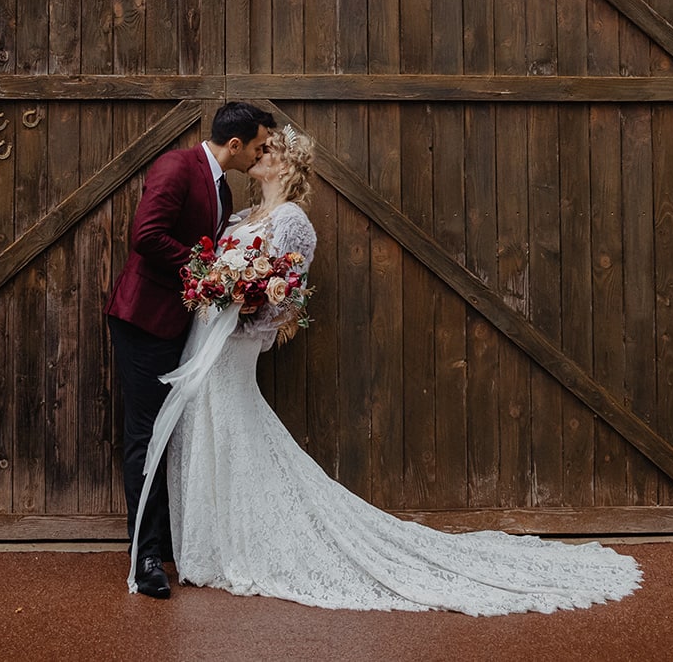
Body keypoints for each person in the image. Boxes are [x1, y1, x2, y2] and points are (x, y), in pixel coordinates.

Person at [158, 124, 642, 614]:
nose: (260, 154)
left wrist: (244, 309)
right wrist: (216, 289)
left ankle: (252, 544)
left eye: (270, 150)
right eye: (261, 148)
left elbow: (286, 301)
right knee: (207, 427)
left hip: (234, 344)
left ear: (286, 164)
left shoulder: (293, 222)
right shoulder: (241, 216)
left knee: (234, 428)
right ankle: (214, 544)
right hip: (205, 339)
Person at [106, 101, 275, 599]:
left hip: (178, 327)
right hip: (144, 321)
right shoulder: (177, 166)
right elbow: (147, 236)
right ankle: (146, 560)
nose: (263, 153)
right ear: (236, 144)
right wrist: (214, 272)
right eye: (261, 145)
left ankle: (164, 542)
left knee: (168, 436)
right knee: (146, 437)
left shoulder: (221, 186)